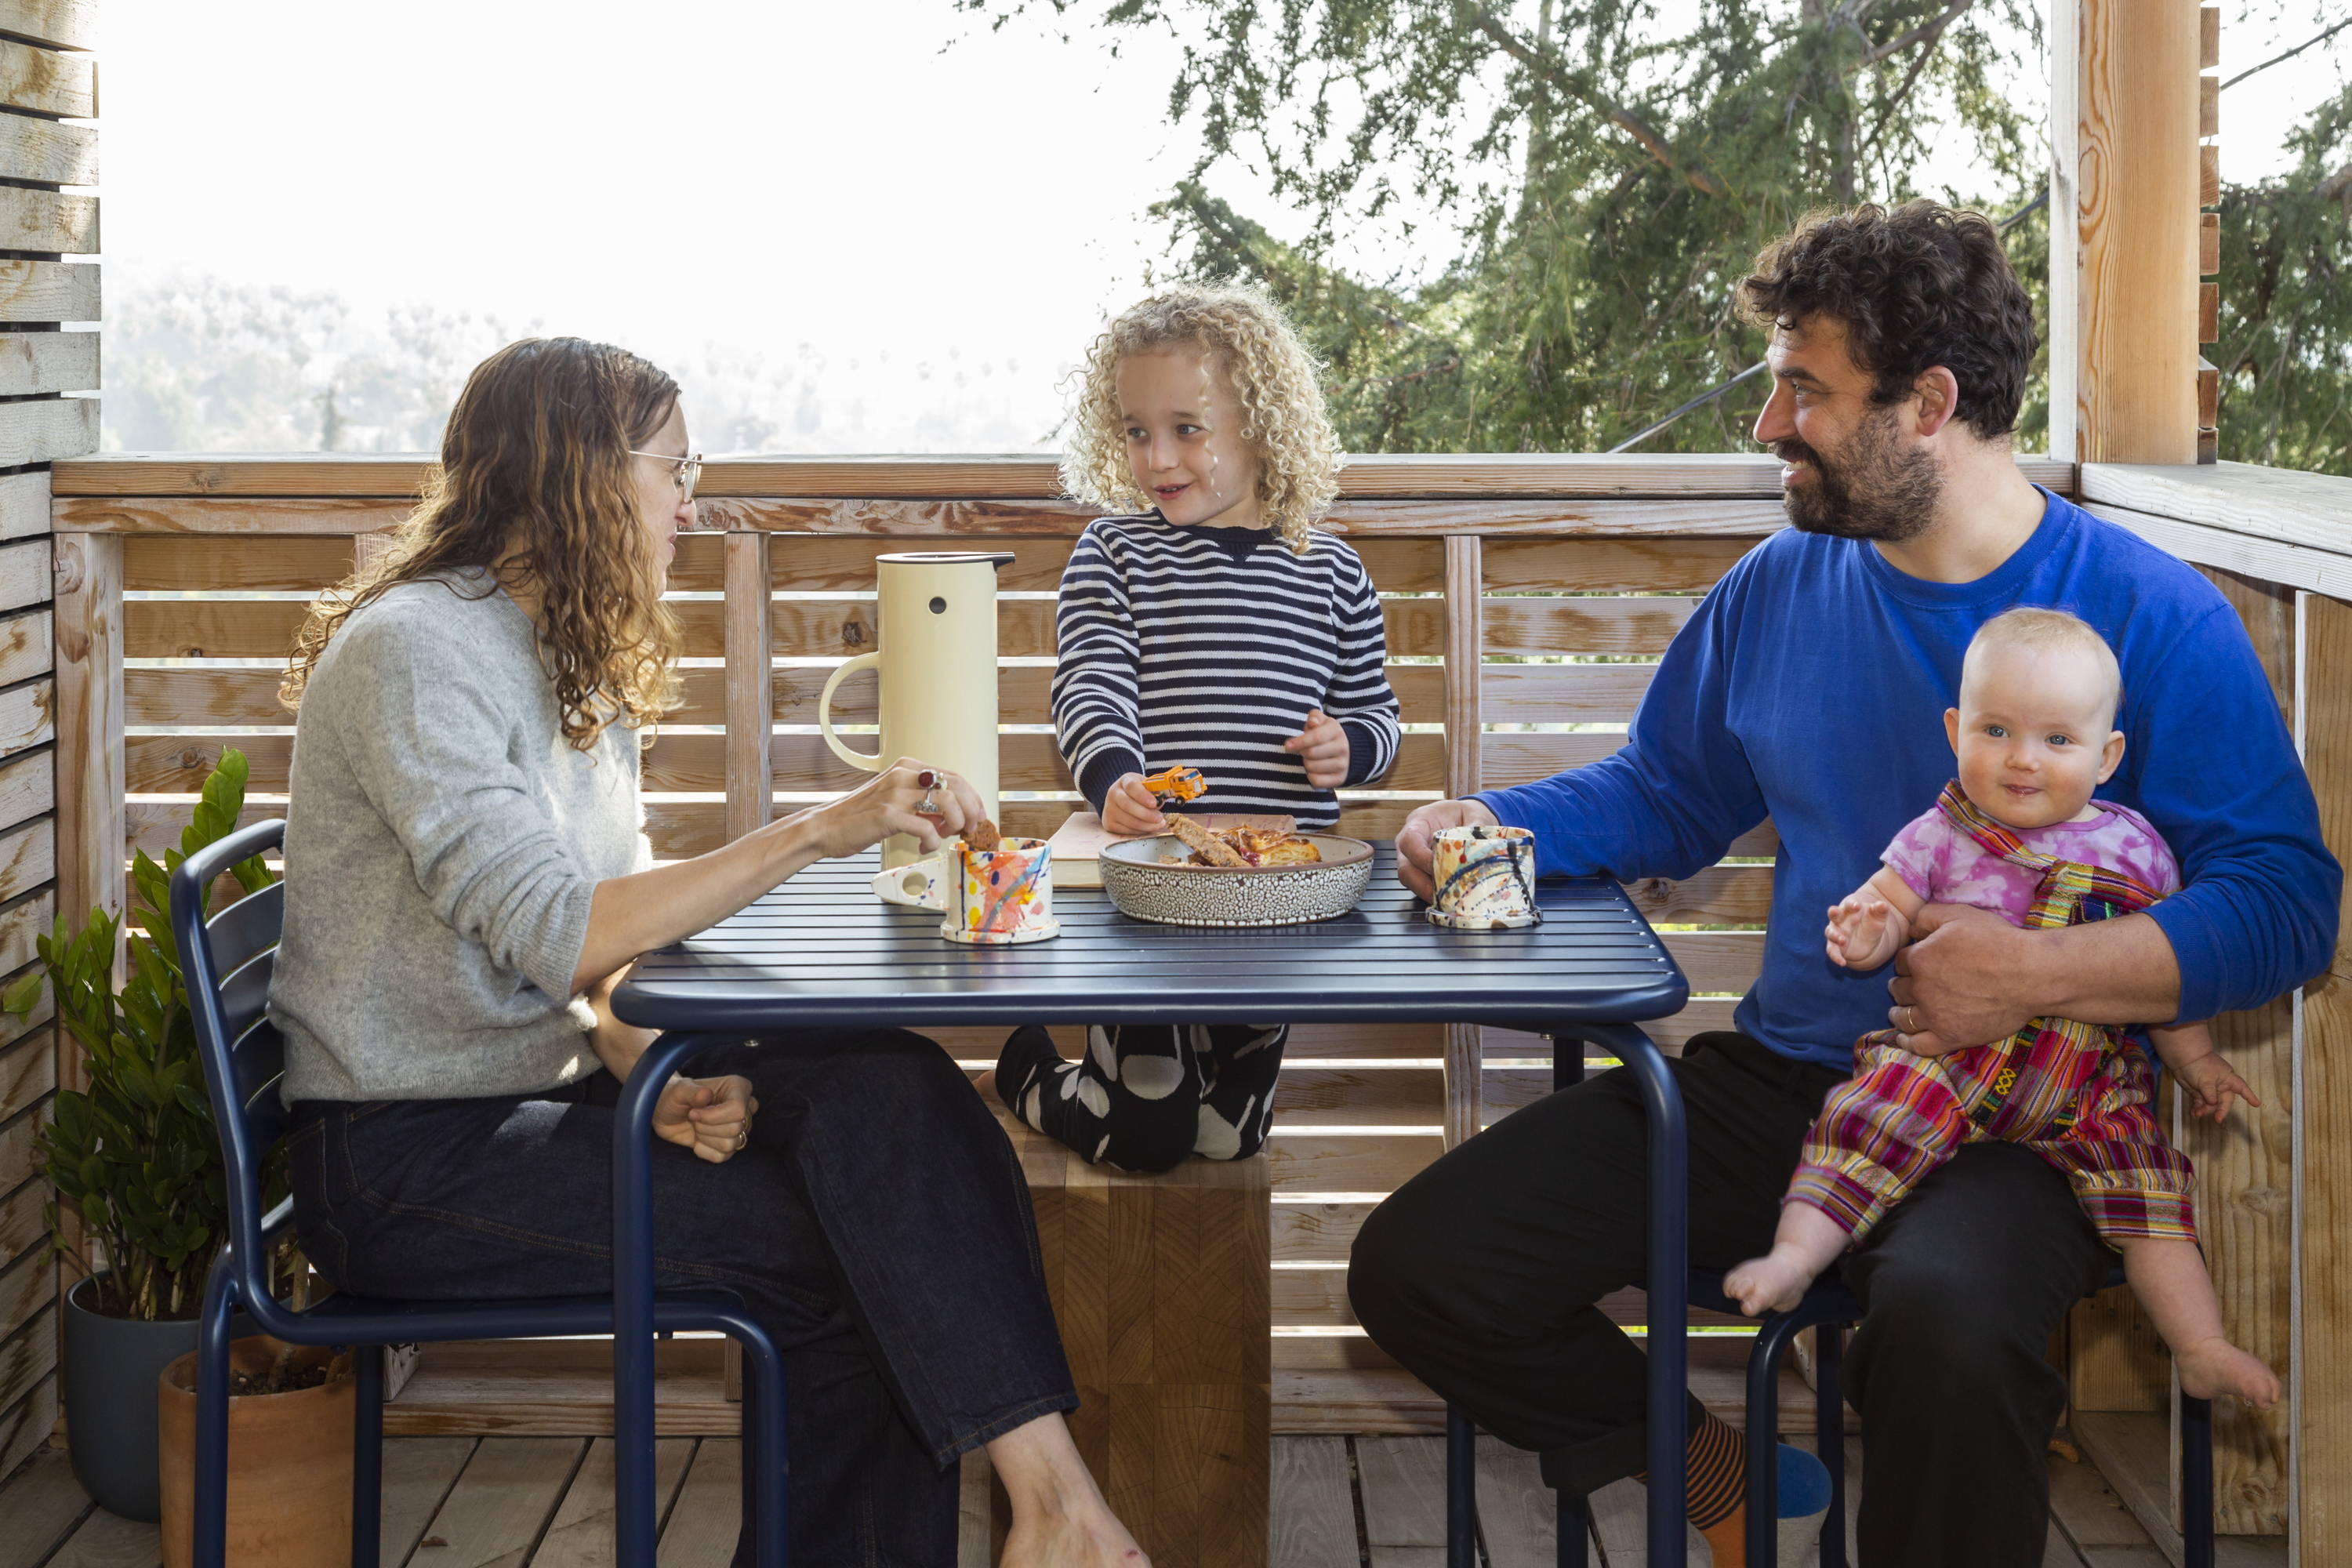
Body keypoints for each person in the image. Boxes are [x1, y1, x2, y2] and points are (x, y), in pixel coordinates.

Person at [1345, 202, 2338, 1567]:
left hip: (2030, 1125)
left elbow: (2286, 898)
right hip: (1793, 1082)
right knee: (1424, 1264)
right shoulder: (1780, 585)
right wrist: (1486, 817)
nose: (1770, 423)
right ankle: (1713, 1468)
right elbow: (1669, 792)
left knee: (1944, 1328)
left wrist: (2037, 975)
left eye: (1804, 388)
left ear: (1927, 403)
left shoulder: (2153, 613)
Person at [270, 337, 1147, 1567]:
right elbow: (565, 927)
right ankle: (1066, 1522)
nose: (694, 501)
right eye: (674, 470)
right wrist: (821, 831)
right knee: (869, 1246)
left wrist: (647, 1069)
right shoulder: (417, 652)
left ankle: (1061, 1519)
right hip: (407, 1159)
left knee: (894, 1090)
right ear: (576, 474)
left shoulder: (554, 647)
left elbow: (598, 949)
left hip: (539, 1091)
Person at [1722, 608, 2278, 1410]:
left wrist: (2194, 1059)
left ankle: (2200, 1343)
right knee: (1865, 1123)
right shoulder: (1942, 832)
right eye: (1996, 729)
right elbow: (1886, 905)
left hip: (2086, 1086)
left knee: (2149, 1194)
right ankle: (1794, 1257)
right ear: (1956, 730)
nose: (2022, 759)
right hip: (1946, 1063)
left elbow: (2164, 979)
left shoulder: (2139, 851)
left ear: (2107, 753)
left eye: (2057, 739)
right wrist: (1868, 930)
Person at [985, 284, 1402, 1171]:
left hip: (1277, 901)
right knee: (1145, 1131)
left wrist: (1348, 749)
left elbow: (1376, 715)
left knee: (1226, 1137)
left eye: (1186, 428)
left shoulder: (1330, 568)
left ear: (1261, 424)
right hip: (1149, 891)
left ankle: (1114, 1088)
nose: (1157, 457)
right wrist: (1114, 780)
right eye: (1136, 431)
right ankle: (1026, 1069)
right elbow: (1090, 686)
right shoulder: (1116, 553)